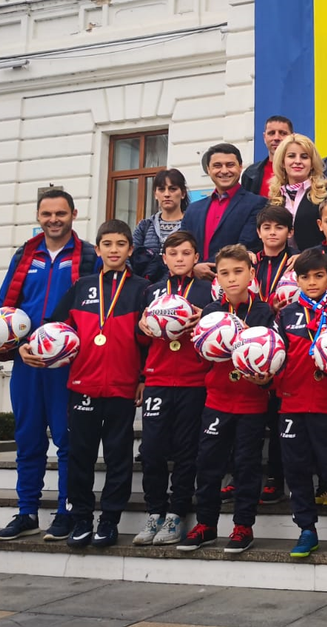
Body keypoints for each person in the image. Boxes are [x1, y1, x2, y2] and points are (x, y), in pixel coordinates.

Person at [0, 190, 98, 543]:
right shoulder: (24, 255)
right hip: (27, 362)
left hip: (68, 364)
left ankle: (66, 512)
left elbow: (95, 311)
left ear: (73, 215)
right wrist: (4, 341)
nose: (54, 219)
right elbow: (4, 308)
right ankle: (27, 513)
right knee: (28, 438)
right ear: (38, 216)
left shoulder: (89, 256)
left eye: (60, 213)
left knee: (67, 440)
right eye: (47, 214)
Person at [46, 219, 149, 548]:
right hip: (83, 385)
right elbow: (55, 329)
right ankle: (81, 519)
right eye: (107, 244)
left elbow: (150, 341)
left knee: (119, 457)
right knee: (81, 456)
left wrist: (143, 378)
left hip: (122, 386)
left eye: (121, 244)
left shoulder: (142, 289)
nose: (114, 250)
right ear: (98, 248)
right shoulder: (82, 286)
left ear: (130, 250)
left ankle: (109, 520)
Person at [177, 244, 276, 553]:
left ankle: (243, 526)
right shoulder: (211, 312)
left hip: (251, 401)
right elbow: (201, 356)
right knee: (208, 463)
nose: (232, 278)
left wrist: (263, 373)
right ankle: (206, 524)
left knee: (247, 465)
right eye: (224, 273)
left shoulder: (263, 311)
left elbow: (273, 355)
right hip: (217, 400)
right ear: (217, 278)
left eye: (238, 271)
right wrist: (209, 342)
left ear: (251, 273)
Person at [274, 248, 327, 557]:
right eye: (305, 277)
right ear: (296, 280)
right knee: (296, 470)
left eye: (318, 276)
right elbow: (275, 357)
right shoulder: (286, 314)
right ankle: (306, 530)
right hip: (292, 403)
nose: (312, 282)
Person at [133, 230, 209, 547]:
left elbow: (217, 333)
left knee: (186, 451)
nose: (180, 259)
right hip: (159, 380)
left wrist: (206, 318)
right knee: (151, 451)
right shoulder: (152, 292)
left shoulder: (207, 292)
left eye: (186, 253)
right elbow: (140, 340)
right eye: (174, 253)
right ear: (164, 258)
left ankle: (176, 513)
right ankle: (155, 512)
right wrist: (141, 328)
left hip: (194, 381)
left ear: (196, 257)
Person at [252, 205, 294, 504]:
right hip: (252, 343)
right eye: (266, 228)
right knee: (251, 417)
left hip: (285, 344)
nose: (272, 233)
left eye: (279, 227)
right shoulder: (248, 263)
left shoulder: (295, 263)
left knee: (279, 416)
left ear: (290, 232)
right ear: (258, 232)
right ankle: (244, 477)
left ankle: (275, 478)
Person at [182, 143, 267, 279]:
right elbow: (183, 246)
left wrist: (206, 266)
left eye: (230, 165)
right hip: (194, 283)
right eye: (217, 166)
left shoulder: (257, 204)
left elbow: (246, 245)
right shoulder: (193, 209)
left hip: (234, 281)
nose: (224, 170)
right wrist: (193, 267)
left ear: (240, 167)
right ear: (208, 169)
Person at [268, 133, 327, 252]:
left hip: (315, 260)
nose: (297, 161)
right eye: (291, 156)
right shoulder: (274, 198)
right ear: (282, 162)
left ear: (312, 164)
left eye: (304, 157)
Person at [132, 168, 190, 283]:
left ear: (183, 193)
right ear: (155, 194)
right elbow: (131, 256)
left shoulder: (192, 224)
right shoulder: (145, 226)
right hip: (147, 287)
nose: (167, 194)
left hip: (182, 287)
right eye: (161, 189)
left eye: (172, 189)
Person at [242, 115, 294, 197]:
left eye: (283, 133)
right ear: (264, 137)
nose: (276, 138)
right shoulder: (250, 174)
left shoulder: (301, 170)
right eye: (271, 133)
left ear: (292, 137)